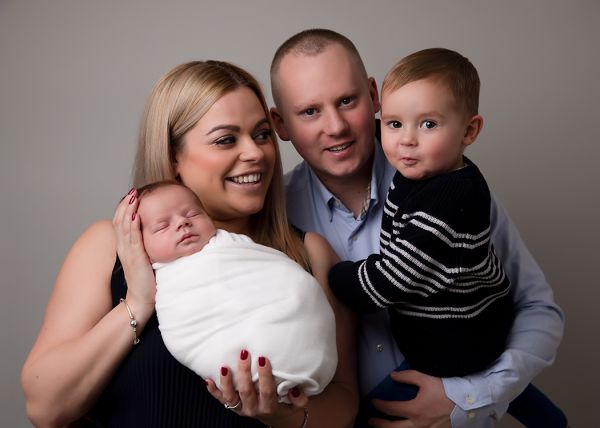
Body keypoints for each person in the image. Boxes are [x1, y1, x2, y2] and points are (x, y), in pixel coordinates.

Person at [21, 60, 358, 428]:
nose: (256, 153)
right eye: (226, 139)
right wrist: (137, 301)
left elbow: (343, 402)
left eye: (262, 134)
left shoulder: (309, 253)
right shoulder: (110, 246)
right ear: (173, 157)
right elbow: (45, 407)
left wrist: (283, 417)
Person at [269, 29, 565, 427]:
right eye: (309, 111)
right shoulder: (275, 219)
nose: (335, 126)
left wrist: (468, 400)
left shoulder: (449, 184)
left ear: (374, 95)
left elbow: (538, 309)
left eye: (346, 101)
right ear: (280, 123)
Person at [329, 47, 514, 379]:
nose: (406, 140)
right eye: (395, 123)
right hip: (456, 329)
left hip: (458, 343)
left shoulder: (448, 198)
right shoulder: (428, 170)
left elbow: (391, 280)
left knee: (382, 408)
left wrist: (334, 277)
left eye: (429, 124)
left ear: (469, 132)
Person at [136, 180, 337, 401]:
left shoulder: (234, 247)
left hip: (290, 323)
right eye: (162, 226)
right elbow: (186, 326)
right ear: (139, 243)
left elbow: (283, 280)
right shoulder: (162, 281)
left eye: (193, 214)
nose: (183, 223)